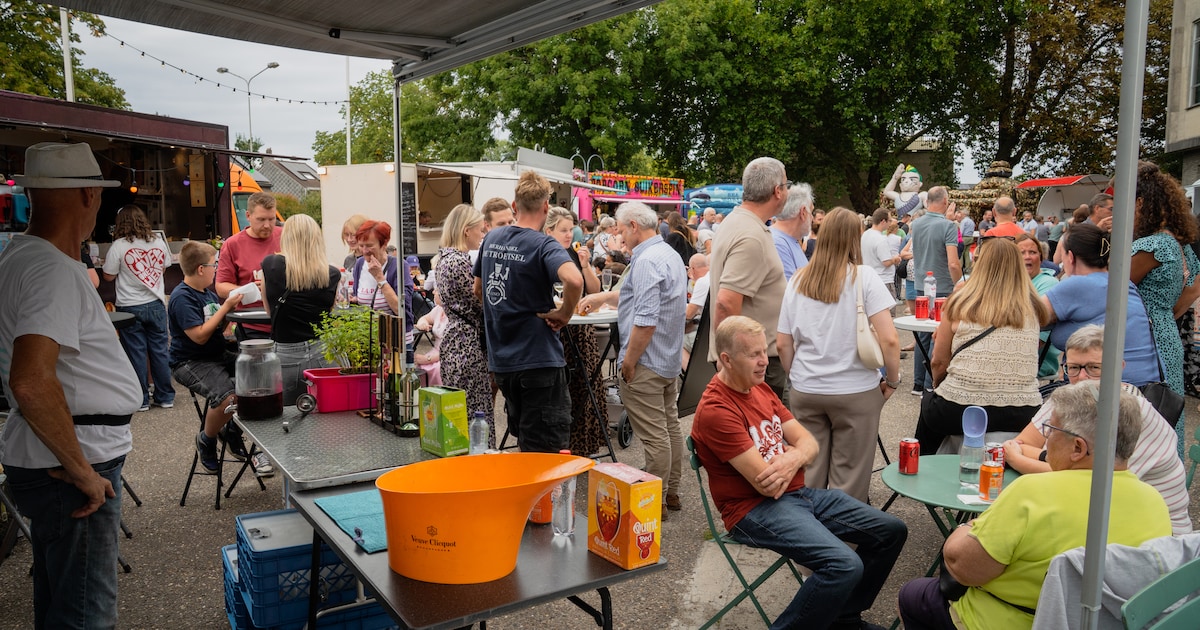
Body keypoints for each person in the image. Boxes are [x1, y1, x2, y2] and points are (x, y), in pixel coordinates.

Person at [0, 142, 141, 628]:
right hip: (73, 461)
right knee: (85, 614)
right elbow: (30, 380)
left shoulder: (21, 257)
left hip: (58, 454)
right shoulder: (52, 269)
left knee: (61, 602)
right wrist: (81, 471)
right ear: (87, 194)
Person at [898, 381, 1171, 630]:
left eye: (1051, 430)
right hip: (1102, 624)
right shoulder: (1154, 502)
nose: (1046, 440)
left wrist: (966, 528)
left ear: (1078, 448)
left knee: (913, 594)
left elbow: (964, 569)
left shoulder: (1032, 492)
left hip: (1009, 621)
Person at [692, 316, 906, 630]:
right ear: (726, 359)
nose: (764, 361)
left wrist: (794, 457)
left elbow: (809, 442)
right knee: (843, 564)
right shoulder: (717, 409)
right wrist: (799, 455)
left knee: (891, 531)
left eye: (763, 351)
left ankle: (843, 619)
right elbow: (767, 485)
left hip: (797, 495)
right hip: (752, 510)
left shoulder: (759, 388)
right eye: (753, 354)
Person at [1001, 325, 1191, 534]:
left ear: (1118, 367)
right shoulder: (1069, 396)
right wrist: (1052, 460)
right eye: (1074, 368)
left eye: (1094, 368)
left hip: (1156, 534)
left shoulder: (1133, 412)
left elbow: (1092, 484)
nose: (1082, 377)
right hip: (1103, 514)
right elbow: (1021, 443)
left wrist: (1018, 460)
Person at [777, 208, 901, 503]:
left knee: (809, 470)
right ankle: (842, 530)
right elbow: (889, 339)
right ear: (854, 238)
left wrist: (798, 376)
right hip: (855, 389)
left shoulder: (798, 280)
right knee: (850, 478)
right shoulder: (864, 277)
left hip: (807, 388)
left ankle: (808, 527)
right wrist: (893, 380)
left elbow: (783, 343)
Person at [580, 202, 688, 515]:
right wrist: (601, 296)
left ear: (634, 226)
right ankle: (671, 493)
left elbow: (645, 321)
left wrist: (628, 361)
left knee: (656, 437)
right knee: (669, 428)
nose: (619, 236)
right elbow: (634, 296)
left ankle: (655, 503)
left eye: (621, 230)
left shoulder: (647, 260)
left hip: (647, 361)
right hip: (666, 359)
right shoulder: (666, 253)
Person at [474, 171, 582, 453]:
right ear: (546, 206)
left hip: (503, 363)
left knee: (526, 444)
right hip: (538, 360)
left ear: (514, 206)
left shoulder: (492, 238)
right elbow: (574, 280)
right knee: (545, 455)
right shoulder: (543, 243)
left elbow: (478, 289)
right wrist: (565, 313)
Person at [914, 238, 1047, 453]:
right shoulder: (1033, 309)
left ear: (980, 265)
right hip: (1023, 410)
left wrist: (940, 386)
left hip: (960, 408)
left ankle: (920, 465)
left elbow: (938, 362)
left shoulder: (960, 303)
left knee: (929, 410)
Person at [168, 241, 271, 476]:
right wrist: (226, 307)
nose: (216, 270)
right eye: (213, 265)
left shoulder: (207, 294)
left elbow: (218, 328)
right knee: (227, 397)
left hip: (216, 354)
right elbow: (199, 336)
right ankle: (207, 439)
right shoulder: (182, 298)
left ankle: (232, 429)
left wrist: (233, 306)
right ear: (201, 269)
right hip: (191, 361)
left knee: (261, 375)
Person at [1130, 160, 1199, 457]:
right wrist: (1166, 313)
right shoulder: (1177, 244)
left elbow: (1112, 290)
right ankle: (1167, 471)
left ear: (1140, 203)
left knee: (1144, 413)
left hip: (1142, 337)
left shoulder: (1151, 246)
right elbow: (1194, 287)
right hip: (1166, 332)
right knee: (1167, 410)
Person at [708, 157, 789, 403]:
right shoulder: (751, 235)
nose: (787, 191)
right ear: (777, 191)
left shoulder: (739, 222)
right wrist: (731, 365)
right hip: (754, 364)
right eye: (786, 185)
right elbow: (726, 302)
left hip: (751, 361)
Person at [1041, 223, 1159, 387]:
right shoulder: (1122, 283)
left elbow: (1024, 317)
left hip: (1108, 389)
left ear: (1070, 257)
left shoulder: (1077, 284)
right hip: (1146, 385)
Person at [544, 205, 608, 457]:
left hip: (580, 330)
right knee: (564, 388)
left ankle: (584, 445)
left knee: (584, 383)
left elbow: (594, 290)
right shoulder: (544, 254)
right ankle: (561, 446)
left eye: (570, 229)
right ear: (548, 231)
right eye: (563, 230)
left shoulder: (574, 253)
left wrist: (585, 265)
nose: (569, 235)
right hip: (558, 329)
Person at [260, 214, 340, 406]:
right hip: (324, 354)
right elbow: (329, 313)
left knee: (282, 415)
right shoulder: (331, 273)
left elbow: (270, 311)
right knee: (329, 415)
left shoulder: (271, 265)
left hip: (285, 355)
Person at [432, 204, 495, 446]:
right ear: (466, 230)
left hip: (456, 338)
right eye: (480, 229)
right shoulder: (458, 262)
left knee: (459, 408)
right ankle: (479, 459)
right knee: (475, 411)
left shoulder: (444, 259)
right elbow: (480, 301)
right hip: (466, 342)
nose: (483, 234)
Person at [102, 203, 174, 412]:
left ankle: (141, 399)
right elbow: (163, 268)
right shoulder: (158, 242)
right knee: (160, 351)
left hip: (129, 306)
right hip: (156, 303)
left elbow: (108, 275)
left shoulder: (119, 246)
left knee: (136, 353)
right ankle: (165, 396)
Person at [909, 186, 963, 393]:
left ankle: (918, 382)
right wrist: (960, 284)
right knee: (938, 334)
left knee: (922, 335)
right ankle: (929, 384)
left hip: (921, 285)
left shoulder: (916, 224)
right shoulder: (948, 226)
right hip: (942, 286)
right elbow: (953, 263)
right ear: (945, 201)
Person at [215, 191, 281, 339]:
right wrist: (249, 290)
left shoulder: (286, 237)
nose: (267, 225)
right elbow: (221, 287)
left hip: (284, 322)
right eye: (261, 219)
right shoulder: (232, 245)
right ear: (248, 216)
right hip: (251, 324)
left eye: (271, 219)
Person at [351, 220, 416, 360]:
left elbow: (401, 309)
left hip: (396, 343)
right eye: (361, 245)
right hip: (369, 341)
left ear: (384, 244)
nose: (364, 250)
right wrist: (352, 300)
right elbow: (359, 299)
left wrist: (380, 279)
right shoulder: (359, 264)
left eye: (369, 245)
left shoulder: (399, 266)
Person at [1012, 233, 1060, 379]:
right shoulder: (1011, 282)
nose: (1027, 257)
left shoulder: (1048, 284)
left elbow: (1037, 341)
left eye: (1032, 252)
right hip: (1010, 357)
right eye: (1022, 253)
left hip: (1034, 363)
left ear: (1040, 257)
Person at [771, 183, 813, 280]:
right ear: (803, 212)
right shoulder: (778, 244)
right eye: (811, 212)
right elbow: (791, 286)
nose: (812, 218)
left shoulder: (787, 240)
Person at [861, 208, 901, 297]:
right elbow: (886, 262)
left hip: (868, 278)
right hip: (884, 279)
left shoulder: (865, 235)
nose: (890, 223)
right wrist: (895, 259)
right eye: (889, 220)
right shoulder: (881, 239)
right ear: (883, 221)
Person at [682, 253, 710, 368]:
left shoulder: (702, 282)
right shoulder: (712, 276)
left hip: (703, 333)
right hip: (710, 329)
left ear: (692, 269)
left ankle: (689, 372)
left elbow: (689, 314)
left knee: (676, 342)